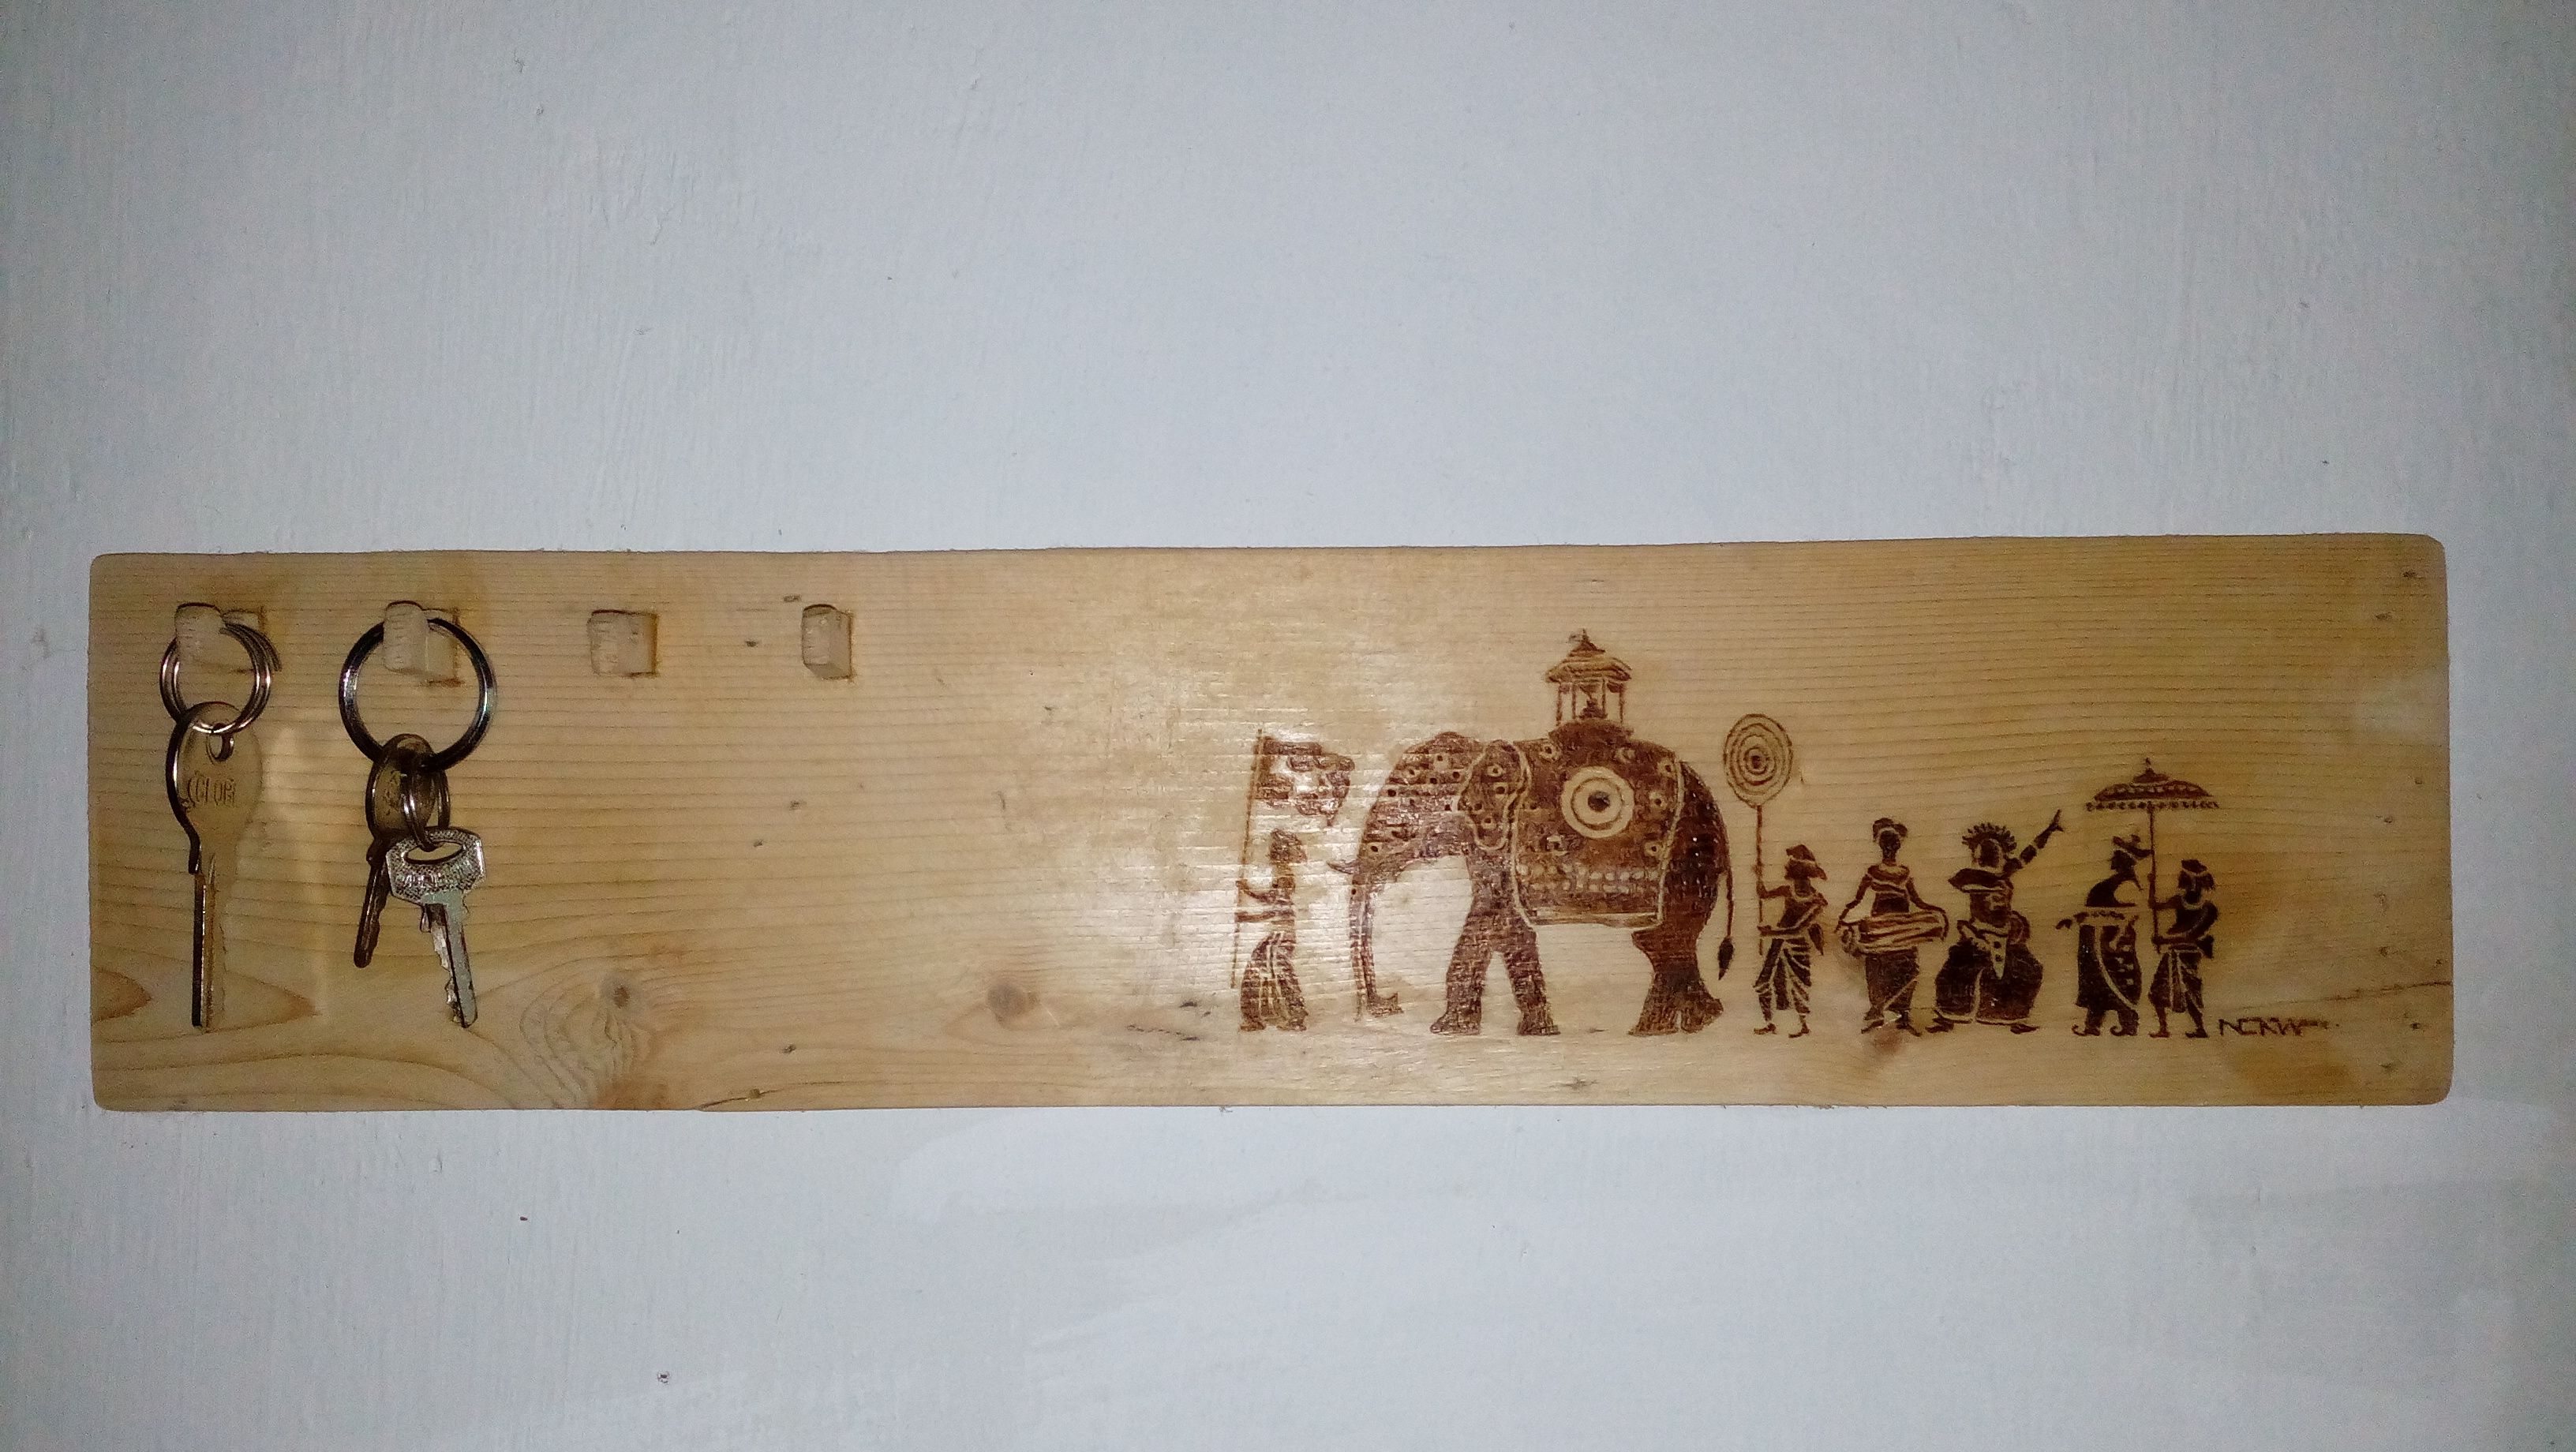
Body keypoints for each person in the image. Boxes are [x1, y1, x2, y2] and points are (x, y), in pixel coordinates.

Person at [1931, 811, 2064, 1032]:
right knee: (1957, 974)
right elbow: (1965, 884)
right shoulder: (1972, 877)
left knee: (2026, 971)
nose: (1998, 857)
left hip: (2006, 934)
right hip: (1978, 934)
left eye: (1998, 853)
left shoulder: (2003, 874)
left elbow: (2029, 853)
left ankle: (2013, 1017)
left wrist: (2048, 831)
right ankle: (1948, 1017)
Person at [1837, 818, 1944, 1034]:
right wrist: (1845, 917)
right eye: (1888, 845)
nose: (1889, 849)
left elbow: (1917, 902)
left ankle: (1900, 1014)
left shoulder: (1902, 873)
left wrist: (1936, 912)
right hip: (1883, 928)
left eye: (1891, 845)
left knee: (1903, 967)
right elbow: (1858, 900)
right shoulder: (1877, 872)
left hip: (1900, 928)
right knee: (1882, 967)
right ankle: (1881, 1012)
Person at [2061, 834, 2147, 1036]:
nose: (2112, 859)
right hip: (2095, 939)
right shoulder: (2113, 882)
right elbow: (2095, 910)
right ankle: (2093, 1025)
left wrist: (2116, 940)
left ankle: (2128, 1024)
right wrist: (2073, 920)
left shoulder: (2126, 884)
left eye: (2117, 856)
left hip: (2109, 942)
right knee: (2095, 982)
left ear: (2125, 860)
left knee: (2116, 981)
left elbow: (2131, 915)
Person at [1236, 830, 1311, 1031]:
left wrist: (1249, 918)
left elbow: (1277, 909)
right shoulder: (1281, 874)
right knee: (1257, 968)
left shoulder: (1284, 876)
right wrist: (1248, 891)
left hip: (1282, 935)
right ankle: (1256, 1017)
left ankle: (1295, 1016)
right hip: (1278, 934)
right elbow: (1271, 898)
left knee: (1280, 972)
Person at [1754, 844, 1827, 1037]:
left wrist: (1771, 933)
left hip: (1795, 946)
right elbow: (1763, 894)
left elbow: (1798, 930)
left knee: (1799, 985)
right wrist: (1758, 876)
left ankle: (1803, 1025)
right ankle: (1769, 1022)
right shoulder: (1788, 891)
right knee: (1765, 982)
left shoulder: (1817, 901)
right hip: (1779, 944)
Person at [2148, 859, 2218, 1038]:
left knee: (2190, 992)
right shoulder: (2179, 900)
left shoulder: (2207, 908)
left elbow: (2191, 935)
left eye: (2183, 877)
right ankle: (2163, 1028)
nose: (2179, 880)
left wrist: (2163, 940)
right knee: (2158, 991)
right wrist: (2151, 884)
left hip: (2188, 953)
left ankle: (2200, 1028)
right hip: (2174, 951)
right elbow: (2154, 905)